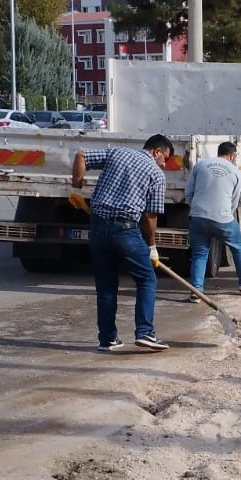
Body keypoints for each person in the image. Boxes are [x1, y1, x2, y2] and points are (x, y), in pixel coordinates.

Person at [71, 133, 174, 351]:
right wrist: (152, 247)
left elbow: (81, 155)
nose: (164, 164)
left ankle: (107, 339)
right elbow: (150, 216)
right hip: (125, 230)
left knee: (106, 285)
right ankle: (145, 332)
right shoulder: (155, 173)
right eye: (165, 158)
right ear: (156, 151)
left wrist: (77, 184)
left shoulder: (117, 152)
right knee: (147, 279)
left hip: (98, 228)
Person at [184, 141, 241, 298]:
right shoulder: (236, 172)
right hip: (223, 218)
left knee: (199, 254)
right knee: (238, 248)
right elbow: (234, 200)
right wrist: (224, 215)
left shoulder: (200, 165)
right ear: (232, 155)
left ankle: (196, 292)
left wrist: (197, 209)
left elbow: (188, 192)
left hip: (198, 217)